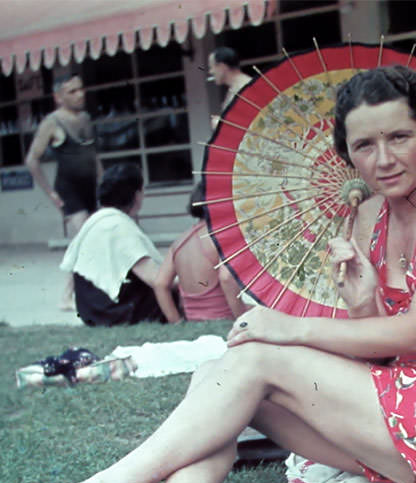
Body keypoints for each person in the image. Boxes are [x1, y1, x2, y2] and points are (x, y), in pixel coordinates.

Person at [0, 65, 416, 483]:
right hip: (402, 412)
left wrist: (289, 325)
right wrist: (362, 302)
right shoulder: (369, 217)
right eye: (364, 145)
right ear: (347, 154)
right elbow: (387, 349)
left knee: (256, 362)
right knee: (219, 374)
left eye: (400, 136)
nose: (384, 159)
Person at [59, 163, 170, 327]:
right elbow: (155, 278)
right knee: (174, 292)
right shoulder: (118, 225)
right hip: (114, 312)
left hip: (92, 310)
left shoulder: (96, 221)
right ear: (137, 195)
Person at [24, 73, 100, 309]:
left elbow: (92, 153)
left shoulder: (85, 118)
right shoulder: (52, 122)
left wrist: (104, 181)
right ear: (58, 97)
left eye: (81, 89)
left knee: (88, 239)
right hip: (69, 189)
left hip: (90, 187)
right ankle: (66, 295)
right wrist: (50, 193)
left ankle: (83, 292)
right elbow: (32, 160)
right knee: (85, 238)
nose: (80, 95)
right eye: (72, 92)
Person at [153, 180, 250, 322]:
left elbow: (160, 284)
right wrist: (241, 318)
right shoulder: (223, 235)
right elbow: (226, 277)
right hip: (224, 316)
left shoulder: (179, 242)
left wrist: (176, 321)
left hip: (192, 319)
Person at [207, 46, 252, 131]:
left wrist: (221, 125)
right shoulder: (235, 87)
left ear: (222, 67)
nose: (211, 72)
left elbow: (248, 124)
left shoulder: (244, 87)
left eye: (212, 67)